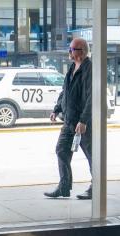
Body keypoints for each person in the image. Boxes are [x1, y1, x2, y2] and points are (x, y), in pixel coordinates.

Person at [45, 37, 93, 200]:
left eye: (71, 49)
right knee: (61, 150)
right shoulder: (72, 67)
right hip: (69, 121)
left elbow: (91, 97)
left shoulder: (89, 69)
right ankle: (64, 186)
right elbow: (65, 92)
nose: (69, 52)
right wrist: (57, 108)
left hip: (83, 123)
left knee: (92, 155)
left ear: (81, 52)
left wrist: (84, 120)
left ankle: (96, 187)